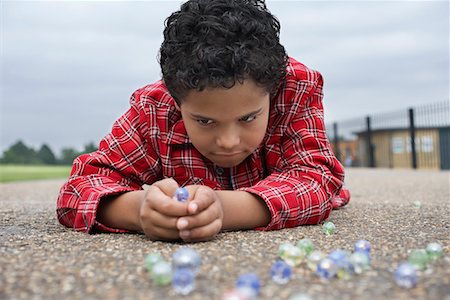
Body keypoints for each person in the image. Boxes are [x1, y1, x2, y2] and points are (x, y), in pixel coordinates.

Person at [56, 0, 350, 242]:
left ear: (272, 92)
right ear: (176, 100)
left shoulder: (296, 87)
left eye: (248, 117)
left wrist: (222, 208)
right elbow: (78, 189)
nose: (228, 141)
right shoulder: (154, 108)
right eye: (205, 121)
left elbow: (316, 180)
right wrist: (139, 210)